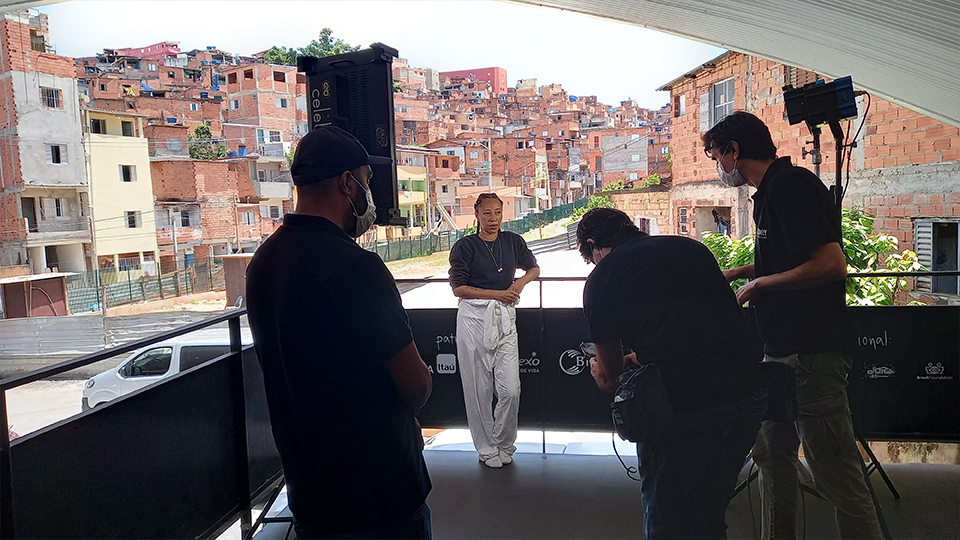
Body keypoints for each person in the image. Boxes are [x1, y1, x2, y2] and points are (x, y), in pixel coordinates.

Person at [245, 126, 433, 539]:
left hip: (311, 494)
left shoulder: (263, 263)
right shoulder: (358, 268)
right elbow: (415, 385)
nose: (370, 193)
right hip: (381, 498)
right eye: (367, 180)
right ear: (347, 183)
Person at [703, 111, 883, 540]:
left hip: (812, 352)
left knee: (833, 469)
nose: (718, 168)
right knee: (771, 456)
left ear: (735, 150)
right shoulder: (766, 194)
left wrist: (761, 283)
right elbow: (789, 256)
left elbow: (830, 264)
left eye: (716, 157)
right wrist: (742, 272)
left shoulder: (792, 186)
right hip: (778, 350)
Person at [579, 207, 766, 540]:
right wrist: (647, 354)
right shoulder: (690, 248)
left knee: (668, 520)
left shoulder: (604, 276)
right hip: (746, 395)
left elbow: (609, 380)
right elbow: (700, 324)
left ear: (594, 245)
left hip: (683, 406)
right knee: (710, 514)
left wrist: (598, 368)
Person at [448, 193, 539, 468]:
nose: (493, 219)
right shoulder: (464, 247)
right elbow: (458, 289)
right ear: (476, 215)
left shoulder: (513, 241)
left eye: (498, 212)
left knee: (511, 389)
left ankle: (504, 441)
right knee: (478, 389)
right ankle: (487, 447)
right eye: (487, 213)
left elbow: (534, 268)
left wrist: (520, 283)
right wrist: (496, 294)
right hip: (474, 317)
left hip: (504, 317)